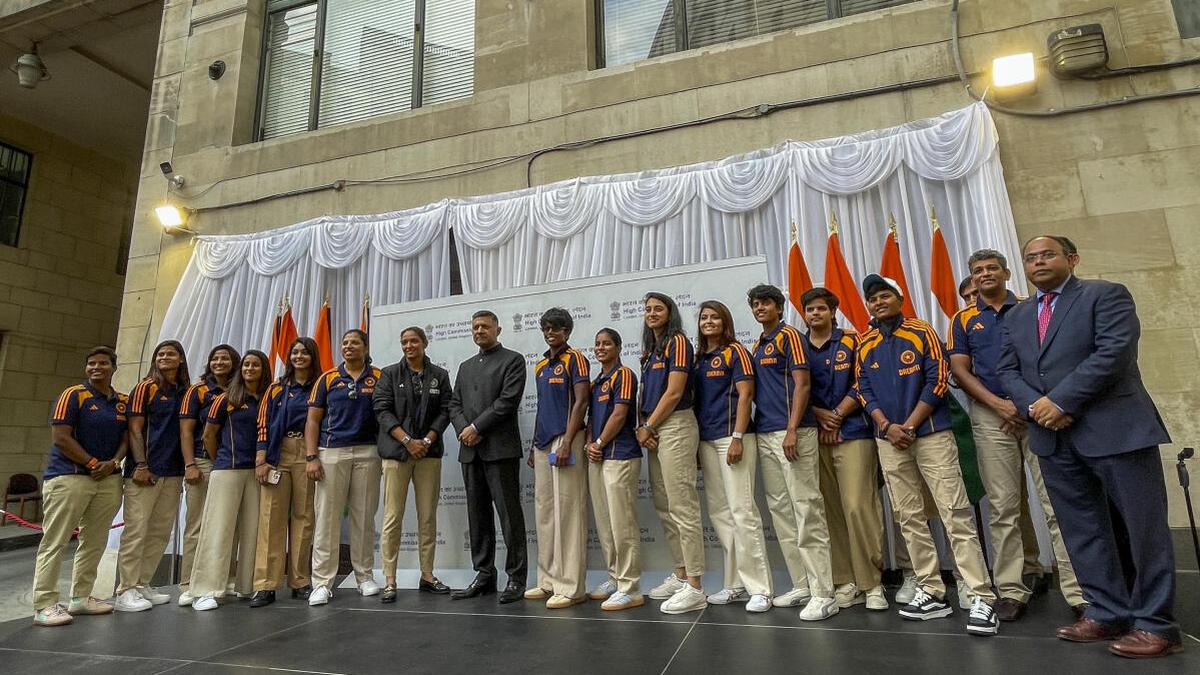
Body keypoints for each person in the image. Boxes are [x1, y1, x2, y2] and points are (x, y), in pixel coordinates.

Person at [998, 235, 1180, 658]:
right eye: (1030, 257)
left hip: (1115, 431)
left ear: (1072, 259)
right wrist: (1039, 408)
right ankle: (1106, 612)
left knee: (1143, 530)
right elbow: (1006, 368)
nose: (1038, 261)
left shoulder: (1106, 295)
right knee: (1083, 531)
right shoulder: (1019, 315)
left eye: (1048, 254)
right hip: (1053, 438)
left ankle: (1156, 624)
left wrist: (1062, 401)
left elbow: (1113, 353)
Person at [855, 274, 999, 636]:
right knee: (908, 516)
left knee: (954, 512)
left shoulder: (922, 332)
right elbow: (862, 388)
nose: (878, 303)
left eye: (884, 296)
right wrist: (887, 426)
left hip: (931, 434)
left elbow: (937, 380)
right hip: (887, 439)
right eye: (872, 299)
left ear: (899, 298)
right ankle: (931, 590)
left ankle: (981, 595)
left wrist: (911, 425)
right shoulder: (865, 342)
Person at [948, 249, 1085, 622]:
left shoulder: (1030, 308)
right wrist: (999, 405)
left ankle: (1078, 590)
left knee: (1055, 502)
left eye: (992, 268)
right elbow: (960, 371)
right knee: (1004, 507)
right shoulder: (963, 319)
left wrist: (1025, 405)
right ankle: (1011, 589)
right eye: (978, 270)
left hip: (1039, 412)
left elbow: (1048, 359)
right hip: (990, 417)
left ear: (1007, 273)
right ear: (973, 278)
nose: (985, 274)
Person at [746, 284, 836, 620]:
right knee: (781, 510)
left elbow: (803, 384)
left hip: (794, 433)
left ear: (779, 308)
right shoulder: (757, 344)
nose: (760, 308)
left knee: (806, 507)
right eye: (756, 304)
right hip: (766, 433)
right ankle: (801, 583)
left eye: (766, 303)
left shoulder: (790, 337)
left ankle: (824, 592)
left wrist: (794, 429)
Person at [799, 287, 887, 612]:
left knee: (857, 506)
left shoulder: (853, 339)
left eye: (821, 308)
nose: (815, 314)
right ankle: (845, 580)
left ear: (833, 311)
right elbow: (795, 387)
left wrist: (837, 415)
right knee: (829, 510)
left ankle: (872, 583)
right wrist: (821, 416)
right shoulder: (799, 345)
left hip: (853, 431)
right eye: (810, 309)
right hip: (815, 434)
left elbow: (863, 380)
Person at [31, 347, 128, 626]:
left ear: (113, 367)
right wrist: (92, 462)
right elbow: (61, 436)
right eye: (91, 364)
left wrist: (114, 462)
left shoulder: (122, 401)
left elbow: (127, 436)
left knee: (95, 540)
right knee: (56, 541)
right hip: (69, 477)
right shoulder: (73, 395)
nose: (96, 368)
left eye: (103, 363)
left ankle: (81, 597)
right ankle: (45, 604)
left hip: (108, 479)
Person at [694, 300, 773, 613]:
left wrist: (739, 437)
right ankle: (735, 584)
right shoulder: (699, 357)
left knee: (743, 512)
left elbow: (746, 395)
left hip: (733, 437)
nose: (709, 321)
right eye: (704, 317)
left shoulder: (736, 351)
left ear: (725, 322)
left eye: (715, 317)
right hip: (706, 440)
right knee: (721, 515)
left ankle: (761, 589)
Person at [449, 310, 529, 604]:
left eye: (485, 326)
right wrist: (464, 430)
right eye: (475, 327)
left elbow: (507, 402)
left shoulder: (513, 360)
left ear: (498, 328)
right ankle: (484, 575)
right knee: (477, 517)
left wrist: (475, 427)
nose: (479, 330)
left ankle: (516, 578)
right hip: (470, 452)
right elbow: (454, 404)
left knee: (510, 517)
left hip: (500, 450)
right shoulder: (466, 366)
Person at [636, 292, 706, 615]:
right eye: (648, 309)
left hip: (675, 424)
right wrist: (646, 426)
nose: (651, 313)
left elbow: (675, 391)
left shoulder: (678, 342)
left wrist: (648, 425)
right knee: (665, 507)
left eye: (658, 309)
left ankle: (695, 586)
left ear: (670, 312)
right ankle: (680, 574)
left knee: (683, 506)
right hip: (654, 428)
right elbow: (646, 393)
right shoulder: (651, 350)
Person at [374, 327, 453, 602]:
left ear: (424, 343)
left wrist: (427, 441)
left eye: (414, 341)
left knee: (427, 516)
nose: (409, 345)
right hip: (397, 453)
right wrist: (408, 441)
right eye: (404, 341)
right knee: (392, 517)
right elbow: (382, 411)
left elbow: (446, 411)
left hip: (428, 455)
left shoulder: (440, 375)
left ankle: (428, 575)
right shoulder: (389, 374)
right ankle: (390, 580)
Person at [306, 329, 383, 606]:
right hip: (331, 451)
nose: (348, 346)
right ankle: (322, 583)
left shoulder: (379, 376)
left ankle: (364, 577)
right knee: (327, 518)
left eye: (355, 343)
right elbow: (313, 420)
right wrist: (311, 456)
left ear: (365, 347)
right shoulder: (327, 378)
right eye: (345, 342)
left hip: (368, 452)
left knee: (364, 518)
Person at [190, 350, 271, 611]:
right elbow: (208, 435)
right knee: (218, 530)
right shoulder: (226, 398)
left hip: (258, 473)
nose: (249, 368)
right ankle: (207, 589)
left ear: (263, 369)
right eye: (246, 364)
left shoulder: (270, 398)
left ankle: (246, 586)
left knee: (252, 531)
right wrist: (221, 460)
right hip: (227, 469)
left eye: (255, 364)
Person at [115, 340, 190, 612]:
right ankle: (125, 589)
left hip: (173, 470)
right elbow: (135, 429)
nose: (164, 357)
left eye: (170, 353)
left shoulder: (183, 390)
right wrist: (141, 465)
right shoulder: (145, 387)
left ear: (180, 359)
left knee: (159, 531)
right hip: (145, 471)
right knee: (136, 530)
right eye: (160, 354)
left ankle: (142, 583)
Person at [525, 308, 591, 609]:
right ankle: (548, 580)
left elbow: (581, 401)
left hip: (566, 439)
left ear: (567, 331)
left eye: (557, 328)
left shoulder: (575, 358)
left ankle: (572, 586)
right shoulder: (540, 365)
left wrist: (567, 441)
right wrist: (533, 446)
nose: (551, 333)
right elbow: (542, 405)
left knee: (568, 511)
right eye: (547, 328)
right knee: (546, 512)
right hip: (542, 441)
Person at [251, 337, 320, 607]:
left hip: (308, 452)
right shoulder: (276, 388)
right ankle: (266, 584)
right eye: (295, 352)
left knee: (304, 516)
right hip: (278, 452)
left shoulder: (320, 386)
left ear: (313, 356)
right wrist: (261, 457)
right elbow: (263, 421)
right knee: (271, 518)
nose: (299, 356)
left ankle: (300, 580)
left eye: (304, 352)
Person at [584, 328, 644, 611]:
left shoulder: (624, 375)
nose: (601, 348)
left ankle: (630, 587)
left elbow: (620, 414)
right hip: (597, 457)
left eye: (606, 343)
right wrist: (589, 445)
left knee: (623, 524)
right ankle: (614, 577)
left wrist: (599, 442)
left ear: (618, 348)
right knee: (606, 524)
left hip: (620, 455)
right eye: (597, 344)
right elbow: (591, 417)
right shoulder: (597, 381)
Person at [176, 344, 239, 607]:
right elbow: (187, 431)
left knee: (228, 523)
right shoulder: (198, 390)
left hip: (230, 464)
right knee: (197, 525)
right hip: (203, 462)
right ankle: (189, 582)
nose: (219, 362)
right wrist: (190, 464)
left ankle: (225, 578)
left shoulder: (240, 391)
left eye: (225, 358)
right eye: (215, 358)